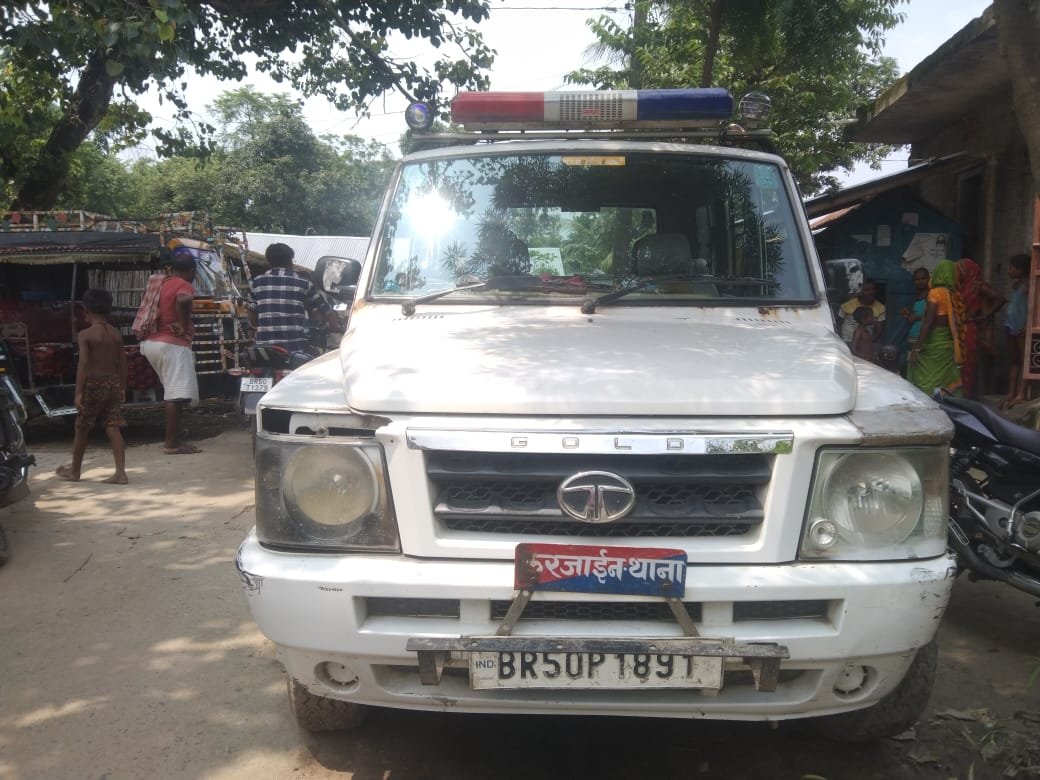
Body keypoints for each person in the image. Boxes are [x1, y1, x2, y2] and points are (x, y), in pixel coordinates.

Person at [56, 289, 129, 483]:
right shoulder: (115, 334)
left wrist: (78, 392)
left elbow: (84, 364)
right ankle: (120, 473)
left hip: (94, 384)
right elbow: (123, 362)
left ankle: (75, 471)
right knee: (113, 426)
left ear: (86, 311)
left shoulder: (85, 335)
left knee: (81, 427)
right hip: (112, 382)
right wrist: (122, 386)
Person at [139, 250, 201, 455]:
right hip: (172, 345)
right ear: (191, 270)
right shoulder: (184, 284)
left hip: (152, 343)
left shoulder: (161, 283)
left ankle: (175, 436)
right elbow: (183, 299)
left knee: (173, 393)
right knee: (175, 396)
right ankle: (171, 444)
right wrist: (183, 324)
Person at [251, 243, 340, 354]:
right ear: (290, 261)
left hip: (264, 351)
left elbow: (252, 315)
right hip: (294, 350)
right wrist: (335, 328)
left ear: (269, 262)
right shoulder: (304, 283)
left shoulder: (257, 282)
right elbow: (326, 311)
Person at [908, 259, 966, 397]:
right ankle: (946, 401)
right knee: (945, 377)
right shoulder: (954, 295)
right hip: (947, 344)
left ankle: (927, 400)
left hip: (934, 341)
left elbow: (928, 322)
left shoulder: (935, 293)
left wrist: (917, 348)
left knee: (919, 370)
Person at [957, 257, 1005, 399]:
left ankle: (968, 395)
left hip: (970, 327)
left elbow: (1000, 299)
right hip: (959, 326)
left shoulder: (977, 285)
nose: (957, 272)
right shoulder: (959, 285)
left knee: (969, 362)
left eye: (960, 270)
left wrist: (985, 316)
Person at [1002, 252, 1032, 408]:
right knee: (1014, 360)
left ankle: (1021, 393)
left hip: (1021, 328)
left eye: (1012, 267)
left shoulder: (1029, 286)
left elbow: (1032, 307)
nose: (1009, 270)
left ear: (1021, 269)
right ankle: (1011, 392)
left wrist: (1027, 325)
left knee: (1024, 361)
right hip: (1011, 326)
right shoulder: (1017, 285)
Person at [838, 279, 886, 347]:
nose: (871, 292)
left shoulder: (880, 308)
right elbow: (838, 325)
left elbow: (878, 331)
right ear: (860, 292)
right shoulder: (847, 305)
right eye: (867, 290)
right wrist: (840, 342)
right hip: (846, 342)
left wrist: (868, 343)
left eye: (873, 289)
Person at [900, 267, 930, 372]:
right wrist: (908, 314)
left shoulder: (931, 295)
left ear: (928, 279)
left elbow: (934, 315)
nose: (920, 282)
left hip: (925, 338)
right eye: (917, 279)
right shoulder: (915, 296)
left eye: (923, 278)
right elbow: (914, 315)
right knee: (912, 365)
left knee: (923, 366)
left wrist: (917, 317)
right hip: (912, 336)